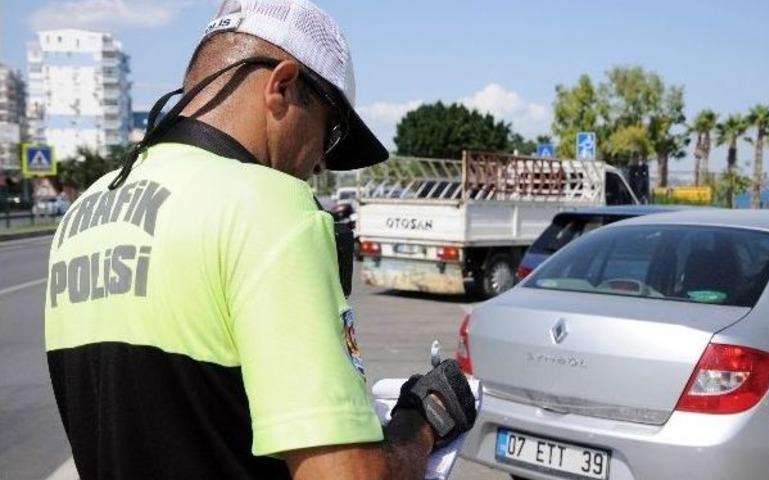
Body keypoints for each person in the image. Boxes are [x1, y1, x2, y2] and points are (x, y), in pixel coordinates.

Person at [43, 1, 476, 479]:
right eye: (330, 133)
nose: (321, 165)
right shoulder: (270, 206)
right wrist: (423, 420)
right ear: (282, 87)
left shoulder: (87, 208)